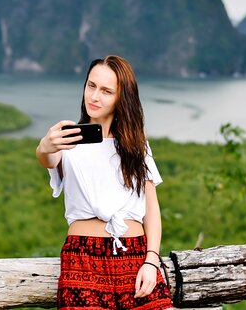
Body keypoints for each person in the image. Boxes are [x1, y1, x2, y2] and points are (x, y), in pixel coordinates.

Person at [36, 55, 173, 310]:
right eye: (91, 86)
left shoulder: (136, 146)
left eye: (106, 91)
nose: (95, 96)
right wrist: (44, 145)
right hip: (83, 259)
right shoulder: (67, 140)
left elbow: (151, 208)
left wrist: (151, 260)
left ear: (122, 98)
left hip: (135, 257)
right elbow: (47, 159)